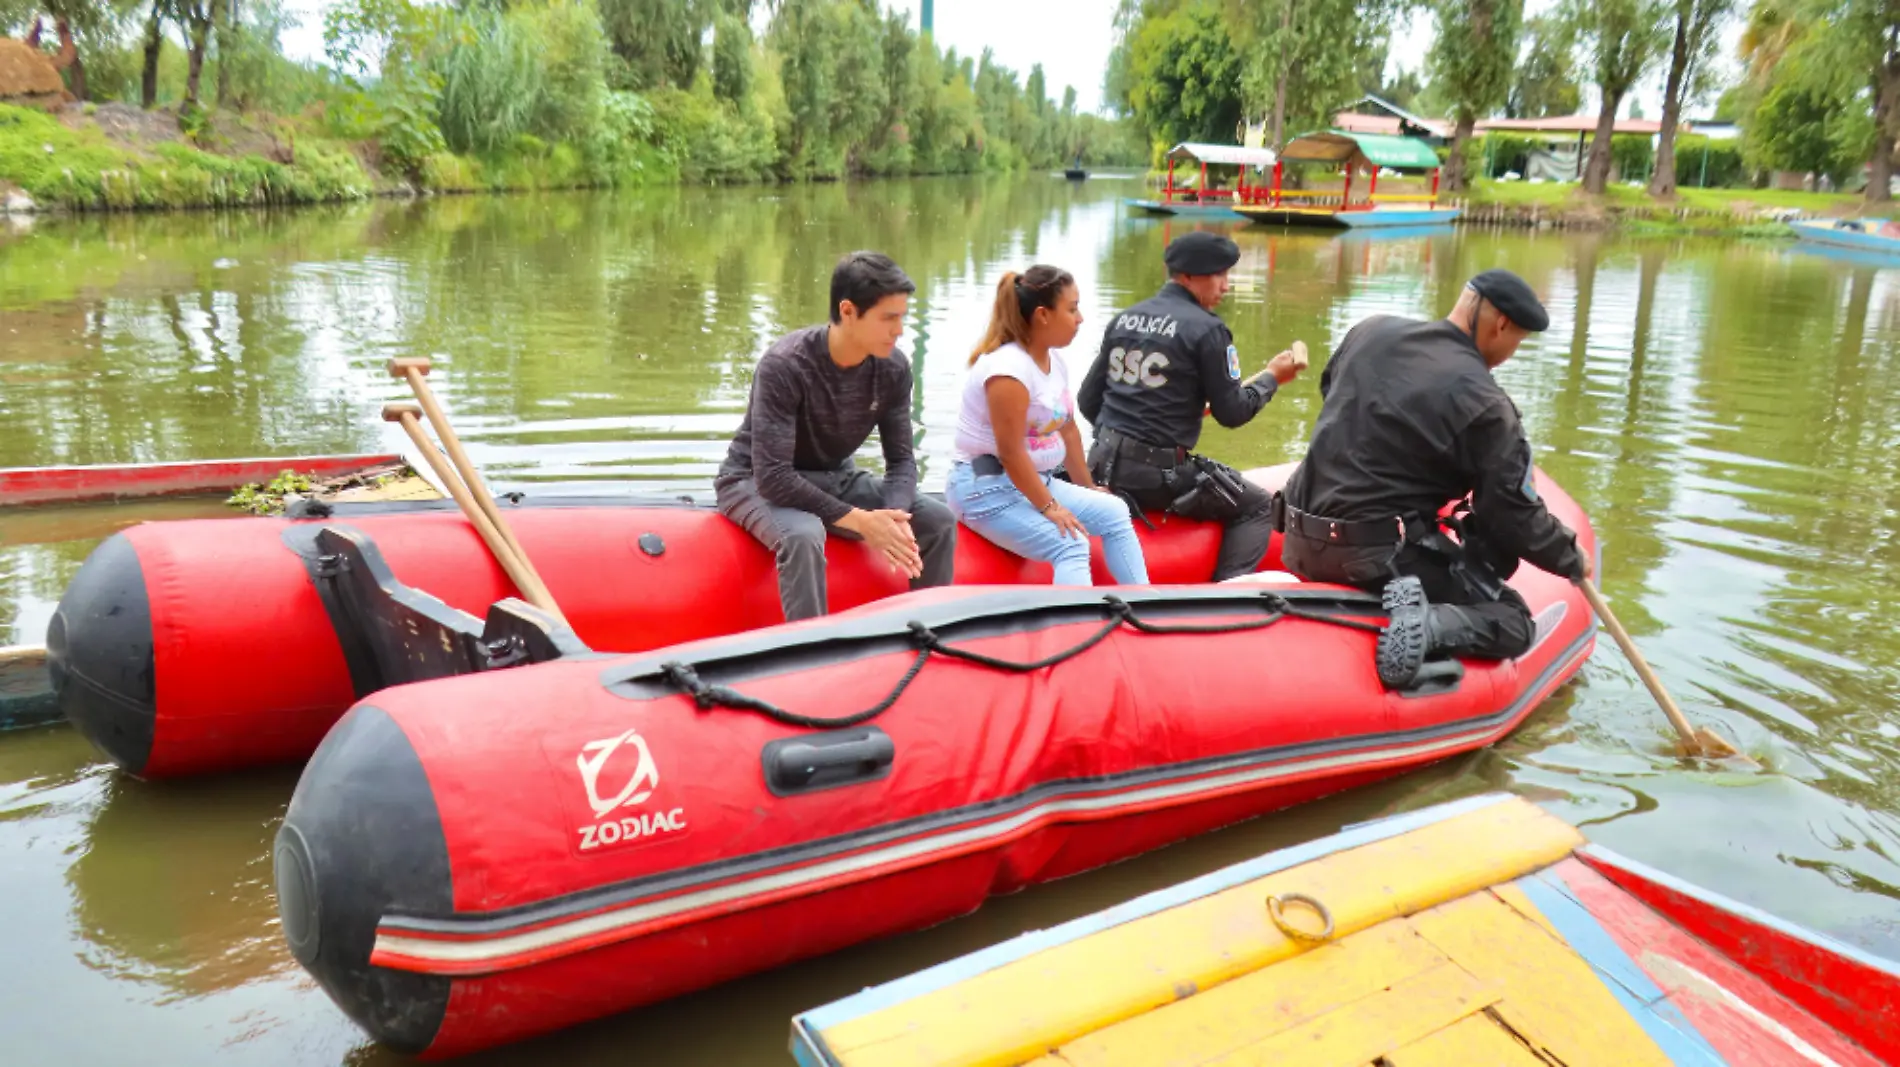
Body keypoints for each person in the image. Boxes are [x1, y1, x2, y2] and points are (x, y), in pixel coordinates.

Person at [1277, 269, 1591, 689]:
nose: (1511, 353)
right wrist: (1570, 557)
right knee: (1513, 620)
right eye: (1517, 340)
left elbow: (1335, 396)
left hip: (1297, 541)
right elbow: (1511, 515)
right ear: (1500, 324)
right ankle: (1428, 625)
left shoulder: (1369, 332)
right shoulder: (1488, 405)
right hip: (1372, 557)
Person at [715, 251, 957, 621]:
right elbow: (774, 477)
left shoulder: (893, 368)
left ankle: (931, 632)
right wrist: (860, 521)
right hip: (753, 479)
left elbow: (902, 460)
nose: (899, 330)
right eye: (888, 318)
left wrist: (893, 515)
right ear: (847, 311)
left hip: (834, 477)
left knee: (938, 522)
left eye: (901, 317)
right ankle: (814, 652)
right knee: (803, 534)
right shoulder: (786, 364)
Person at [1078, 231, 1306, 581]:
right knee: (1259, 506)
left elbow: (1088, 401)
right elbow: (1233, 413)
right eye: (1219, 275)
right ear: (1188, 277)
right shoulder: (1208, 331)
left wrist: (1126, 439)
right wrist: (1272, 377)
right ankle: (1225, 593)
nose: (1226, 286)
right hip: (1156, 478)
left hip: (1099, 466)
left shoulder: (1125, 319)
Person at [946, 266, 1149, 586]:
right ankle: (1074, 631)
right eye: (1072, 309)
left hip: (1035, 482)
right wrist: (1051, 508)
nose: (1080, 318)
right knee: (1071, 545)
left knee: (1114, 511)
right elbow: (1011, 453)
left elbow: (1067, 430)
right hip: (984, 491)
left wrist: (1087, 488)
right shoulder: (1007, 371)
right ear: (1043, 315)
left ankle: (1145, 602)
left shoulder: (1055, 363)